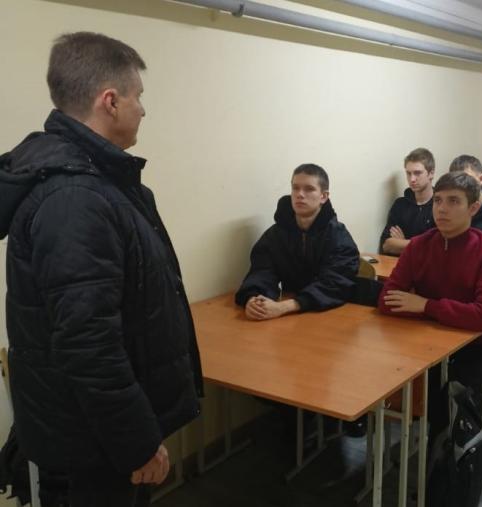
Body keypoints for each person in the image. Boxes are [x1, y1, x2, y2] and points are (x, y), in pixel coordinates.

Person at [0, 32, 203, 506]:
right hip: (92, 450)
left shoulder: (98, 181)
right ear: (110, 101)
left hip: (96, 437)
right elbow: (88, 343)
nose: (143, 110)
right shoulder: (75, 198)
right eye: (138, 97)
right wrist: (138, 442)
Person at [378, 171, 482, 436]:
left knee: (449, 394)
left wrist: (426, 306)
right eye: (438, 200)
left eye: (453, 201)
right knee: (385, 373)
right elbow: (387, 300)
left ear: (473, 208)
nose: (442, 209)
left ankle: (445, 451)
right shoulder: (418, 246)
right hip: (427, 340)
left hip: (478, 347)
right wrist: (440, 313)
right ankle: (423, 444)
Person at [235, 163, 359, 319]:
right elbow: (262, 271)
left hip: (326, 312)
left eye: (309, 189)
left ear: (323, 196)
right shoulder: (275, 234)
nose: (300, 194)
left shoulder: (339, 237)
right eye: (295, 188)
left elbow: (336, 284)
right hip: (290, 314)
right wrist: (254, 299)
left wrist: (286, 306)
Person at [379, 148, 436, 255]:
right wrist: (417, 246)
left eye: (417, 173)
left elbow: (436, 249)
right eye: (408, 173)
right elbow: (386, 245)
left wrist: (403, 242)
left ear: (431, 173)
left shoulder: (441, 206)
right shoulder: (400, 205)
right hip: (399, 264)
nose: (412, 179)